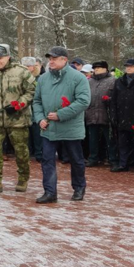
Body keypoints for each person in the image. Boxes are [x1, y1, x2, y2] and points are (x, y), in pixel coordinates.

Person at [32, 46, 91, 204]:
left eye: (54, 58)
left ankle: (79, 188)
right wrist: (39, 119)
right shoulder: (43, 79)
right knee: (47, 160)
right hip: (48, 128)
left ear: (64, 60)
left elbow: (83, 101)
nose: (50, 61)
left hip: (70, 127)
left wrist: (61, 115)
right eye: (49, 58)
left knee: (76, 159)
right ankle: (50, 192)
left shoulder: (78, 78)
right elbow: (36, 101)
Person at [0, 44, 36, 194]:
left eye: (0, 58)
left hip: (17, 120)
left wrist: (19, 105)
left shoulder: (22, 72)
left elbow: (32, 91)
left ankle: (23, 178)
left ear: (8, 57)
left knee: (21, 151)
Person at [85, 61, 116, 168]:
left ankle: (112, 159)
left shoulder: (113, 81)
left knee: (110, 139)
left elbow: (117, 97)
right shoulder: (90, 81)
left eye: (99, 68)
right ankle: (93, 158)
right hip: (91, 113)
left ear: (105, 69)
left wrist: (110, 100)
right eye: (95, 68)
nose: (96, 69)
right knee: (92, 139)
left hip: (106, 114)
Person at [22, 57, 44, 162]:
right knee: (26, 134)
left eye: (29, 66)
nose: (26, 68)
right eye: (24, 66)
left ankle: (39, 153)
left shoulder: (39, 79)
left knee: (37, 133)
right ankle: (28, 152)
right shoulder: (20, 78)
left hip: (36, 109)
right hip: (23, 110)